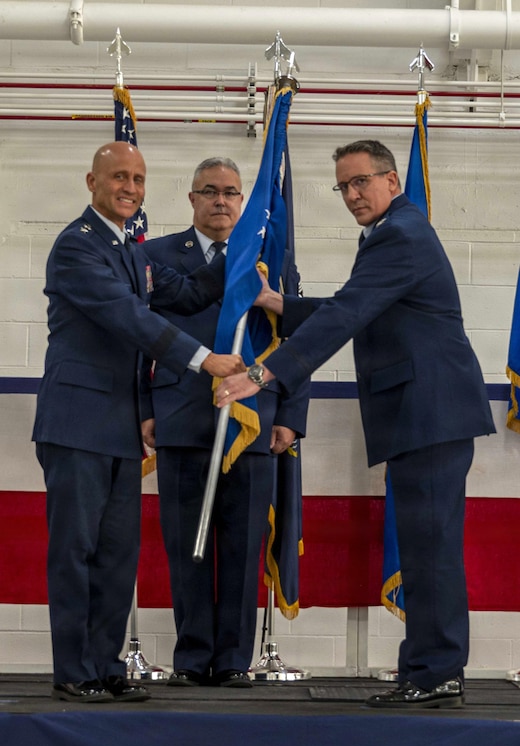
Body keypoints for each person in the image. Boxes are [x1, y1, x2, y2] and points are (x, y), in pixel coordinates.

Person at [216, 139, 496, 708]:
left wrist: (264, 374)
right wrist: (280, 305)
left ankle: (437, 672)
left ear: (392, 181)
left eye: (361, 181)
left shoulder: (400, 235)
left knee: (430, 547)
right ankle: (427, 667)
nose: (351, 195)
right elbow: (357, 306)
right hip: (424, 413)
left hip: (429, 412)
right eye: (343, 186)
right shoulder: (393, 233)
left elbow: (349, 313)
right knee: (424, 545)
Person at [32, 141, 245, 704]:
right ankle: (74, 670)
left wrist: (242, 251)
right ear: (92, 182)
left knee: (117, 555)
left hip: (120, 429)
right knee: (75, 552)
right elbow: (130, 319)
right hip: (76, 423)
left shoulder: (131, 250)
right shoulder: (76, 247)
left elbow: (190, 291)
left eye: (139, 179)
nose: (130, 188)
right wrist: (204, 359)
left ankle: (105, 667)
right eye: (119, 177)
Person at [140, 157, 309, 688]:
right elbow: (136, 338)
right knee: (185, 546)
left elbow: (299, 340)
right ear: (192, 198)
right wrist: (144, 409)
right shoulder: (154, 255)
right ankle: (192, 658)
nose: (220, 200)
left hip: (255, 422)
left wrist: (291, 416)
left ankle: (234, 658)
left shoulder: (270, 260)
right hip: (181, 416)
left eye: (231, 192)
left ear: (243, 201)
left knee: (243, 545)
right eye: (209, 191)